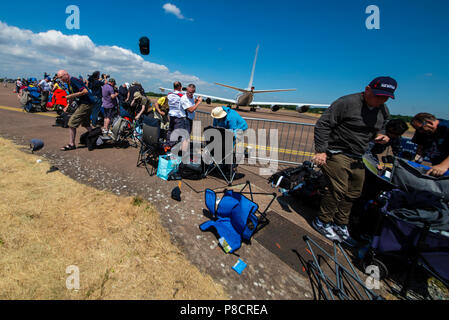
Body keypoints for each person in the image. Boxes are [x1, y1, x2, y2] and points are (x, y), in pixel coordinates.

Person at [311, 76, 397, 245]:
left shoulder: (383, 109)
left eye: (386, 97)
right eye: (378, 95)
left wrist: (379, 136)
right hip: (337, 151)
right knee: (338, 189)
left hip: (358, 156)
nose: (381, 100)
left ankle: (340, 223)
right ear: (367, 89)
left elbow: (380, 127)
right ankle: (322, 221)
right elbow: (323, 124)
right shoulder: (347, 103)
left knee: (354, 192)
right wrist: (321, 151)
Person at [57, 69, 95, 151]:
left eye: (61, 77)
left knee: (71, 122)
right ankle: (96, 138)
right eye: (59, 78)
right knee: (86, 123)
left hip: (86, 103)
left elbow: (84, 91)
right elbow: (72, 96)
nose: (61, 79)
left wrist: (70, 96)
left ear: (66, 75)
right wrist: (67, 106)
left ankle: (71, 144)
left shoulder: (73, 80)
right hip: (85, 103)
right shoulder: (69, 83)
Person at [411, 113, 449, 177]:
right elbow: (420, 147)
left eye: (421, 129)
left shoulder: (446, 127)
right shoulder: (421, 131)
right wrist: (417, 161)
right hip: (437, 167)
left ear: (429, 122)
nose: (420, 132)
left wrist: (443, 165)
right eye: (417, 129)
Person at [166, 81, 187, 148]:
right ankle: (172, 147)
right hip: (179, 116)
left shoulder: (169, 94)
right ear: (179, 87)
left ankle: (168, 144)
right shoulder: (181, 95)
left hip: (171, 116)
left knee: (170, 131)